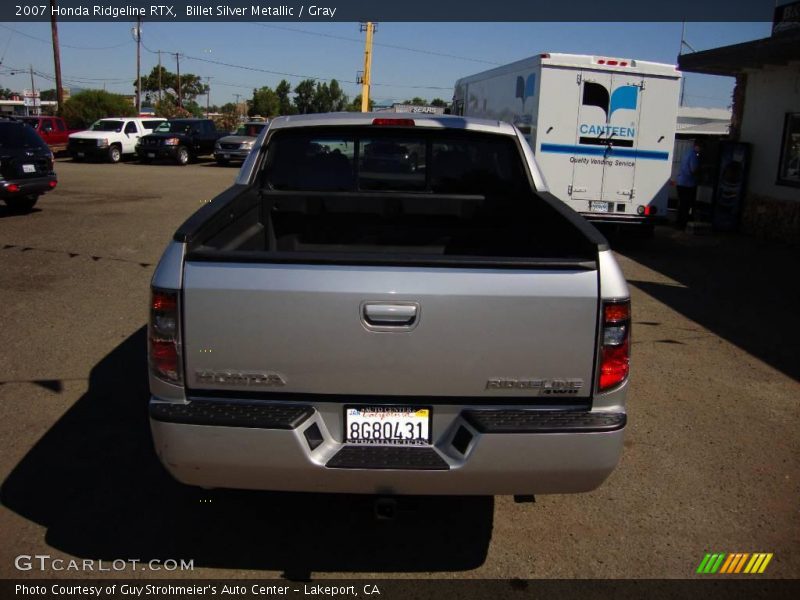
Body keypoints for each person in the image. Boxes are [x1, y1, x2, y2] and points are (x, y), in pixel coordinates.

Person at [676, 141, 702, 228]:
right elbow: (693, 170)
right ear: (697, 146)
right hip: (687, 184)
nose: (701, 150)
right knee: (685, 205)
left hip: (681, 182)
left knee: (682, 205)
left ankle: (679, 223)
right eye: (701, 148)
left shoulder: (687, 153)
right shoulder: (693, 155)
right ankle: (682, 224)